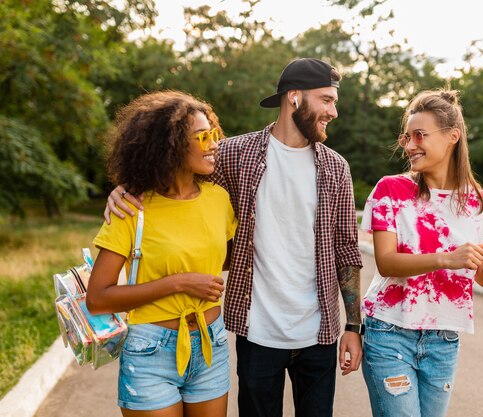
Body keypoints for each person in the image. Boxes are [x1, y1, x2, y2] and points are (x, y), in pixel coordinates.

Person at [104, 58, 364, 417]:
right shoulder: (233, 154)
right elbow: (171, 172)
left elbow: (346, 248)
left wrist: (353, 325)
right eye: (326, 99)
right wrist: (124, 188)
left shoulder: (336, 167)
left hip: (318, 333)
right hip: (257, 331)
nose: (333, 111)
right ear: (294, 98)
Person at [360, 89, 483, 417]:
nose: (410, 145)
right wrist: (446, 257)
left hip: (443, 337)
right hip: (389, 332)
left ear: (453, 136)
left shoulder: (478, 202)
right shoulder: (391, 190)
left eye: (419, 135)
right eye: (406, 137)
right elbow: (386, 263)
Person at [87, 91, 237, 417]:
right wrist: (179, 282)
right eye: (202, 137)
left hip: (212, 346)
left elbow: (223, 258)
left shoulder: (218, 199)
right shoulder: (132, 207)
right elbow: (98, 298)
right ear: (169, 146)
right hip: (150, 350)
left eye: (214, 134)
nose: (214, 144)